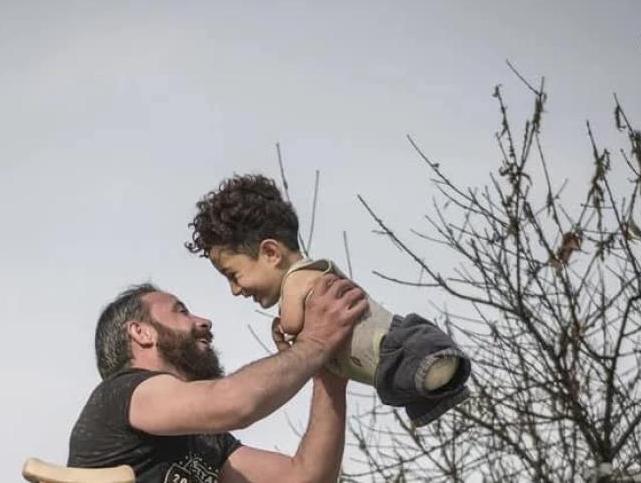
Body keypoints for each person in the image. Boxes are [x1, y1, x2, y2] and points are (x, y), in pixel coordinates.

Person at [186, 174, 471, 427]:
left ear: (271, 253)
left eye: (233, 275)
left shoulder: (299, 278)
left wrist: (285, 335)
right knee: (420, 384)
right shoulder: (312, 281)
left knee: (419, 369)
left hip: (395, 347)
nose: (235, 290)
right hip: (390, 364)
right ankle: (440, 380)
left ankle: (438, 370)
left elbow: (292, 324)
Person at [68, 279, 367, 483]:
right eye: (181, 311)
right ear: (141, 333)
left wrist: (328, 376)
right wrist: (315, 344)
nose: (204, 321)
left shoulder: (208, 441)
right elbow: (235, 403)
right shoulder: (122, 393)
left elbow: (306, 477)